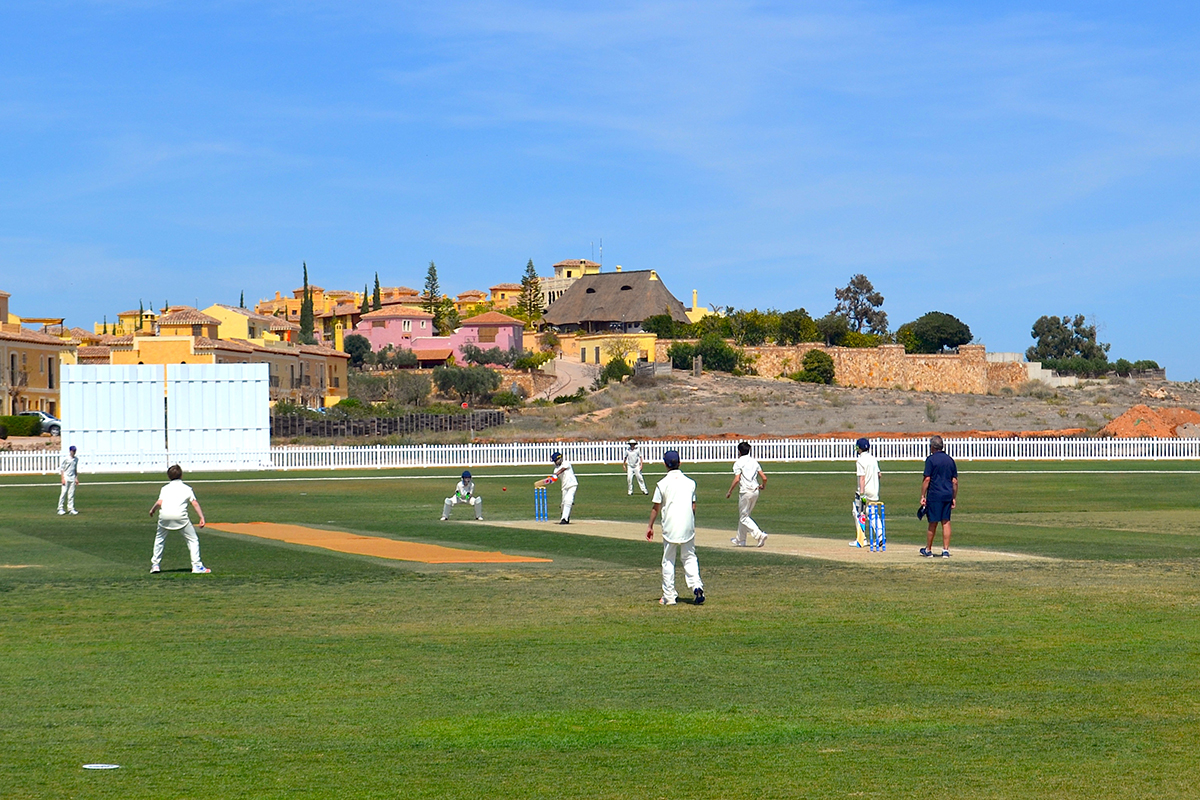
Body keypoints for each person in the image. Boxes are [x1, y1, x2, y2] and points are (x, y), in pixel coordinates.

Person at [646, 450, 704, 606]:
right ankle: (697, 586)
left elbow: (656, 507)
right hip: (687, 525)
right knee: (689, 557)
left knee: (668, 560)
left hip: (670, 525)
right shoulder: (690, 483)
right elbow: (693, 506)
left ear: (665, 464)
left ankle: (669, 596)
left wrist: (650, 526)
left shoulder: (662, 484)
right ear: (680, 462)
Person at [149, 464, 211, 574]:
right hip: (180, 517)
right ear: (181, 475)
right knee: (193, 540)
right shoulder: (187, 488)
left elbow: (159, 502)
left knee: (159, 539)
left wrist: (152, 510)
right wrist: (201, 517)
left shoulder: (165, 488)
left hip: (164, 517)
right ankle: (196, 565)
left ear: (169, 476)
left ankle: (155, 565)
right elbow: (195, 503)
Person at [919, 435, 958, 558]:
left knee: (933, 522)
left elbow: (927, 479)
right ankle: (945, 550)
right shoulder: (950, 460)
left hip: (935, 494)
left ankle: (928, 549)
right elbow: (954, 481)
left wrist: (922, 495)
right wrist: (953, 497)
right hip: (947, 494)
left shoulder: (931, 460)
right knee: (946, 521)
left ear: (932, 447)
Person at [726, 441, 767, 547]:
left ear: (739, 452)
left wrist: (730, 491)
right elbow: (764, 478)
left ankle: (759, 535)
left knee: (744, 517)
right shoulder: (754, 461)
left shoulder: (738, 462)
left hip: (745, 492)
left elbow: (736, 479)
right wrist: (763, 486)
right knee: (745, 516)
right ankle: (741, 540)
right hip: (755, 491)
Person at [850, 437, 883, 548]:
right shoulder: (873, 459)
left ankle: (861, 539)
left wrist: (862, 494)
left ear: (859, 448)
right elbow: (879, 474)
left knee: (858, 512)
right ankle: (880, 536)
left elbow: (862, 478)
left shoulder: (860, 460)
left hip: (865, 491)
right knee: (873, 514)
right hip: (874, 490)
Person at [549, 451, 577, 524]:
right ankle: (566, 517)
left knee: (568, 500)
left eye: (556, 460)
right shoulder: (556, 469)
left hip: (572, 484)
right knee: (563, 504)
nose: (555, 462)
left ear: (560, 459)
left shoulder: (566, 463)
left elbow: (562, 469)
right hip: (564, 487)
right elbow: (554, 478)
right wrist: (550, 480)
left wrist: (555, 474)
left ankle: (564, 519)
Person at [57, 445, 79, 516]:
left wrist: (76, 478)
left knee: (71, 494)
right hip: (66, 477)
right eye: (73, 451)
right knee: (63, 493)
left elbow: (75, 469)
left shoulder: (76, 459)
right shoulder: (66, 459)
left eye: (75, 451)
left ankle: (71, 509)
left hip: (72, 478)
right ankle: (60, 508)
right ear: (70, 451)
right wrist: (62, 478)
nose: (74, 452)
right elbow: (62, 469)